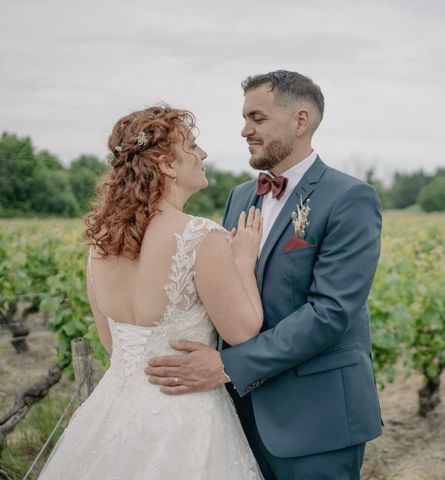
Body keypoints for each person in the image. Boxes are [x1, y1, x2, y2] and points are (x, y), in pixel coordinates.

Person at [146, 70, 383, 479]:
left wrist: (226, 365)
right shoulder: (240, 196)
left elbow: (329, 313)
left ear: (300, 120)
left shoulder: (349, 198)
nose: (244, 130)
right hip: (235, 415)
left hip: (316, 418)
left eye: (257, 118)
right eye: (244, 119)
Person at [39, 105, 264, 479]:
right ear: (167, 165)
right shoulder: (201, 237)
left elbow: (113, 345)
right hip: (184, 415)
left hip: (112, 411)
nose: (203, 154)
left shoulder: (101, 245)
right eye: (192, 146)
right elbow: (242, 331)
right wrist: (243, 260)